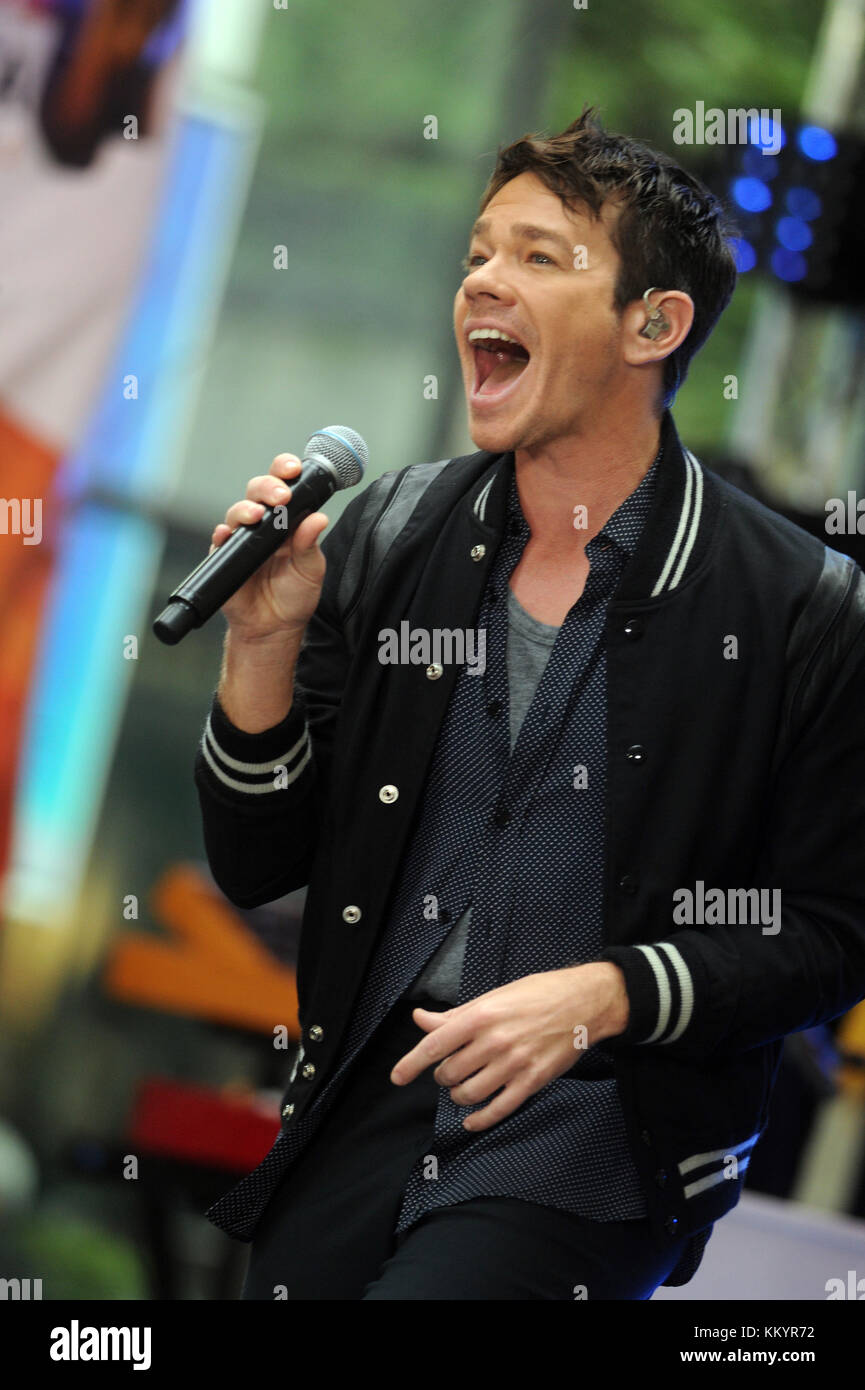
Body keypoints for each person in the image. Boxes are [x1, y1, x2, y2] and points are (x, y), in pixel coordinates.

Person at [193, 108, 865, 1300]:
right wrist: (261, 642)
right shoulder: (397, 531)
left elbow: (831, 932)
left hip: (598, 1137)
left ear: (653, 325)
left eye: (540, 258)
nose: (483, 283)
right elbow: (258, 861)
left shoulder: (798, 606)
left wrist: (608, 991)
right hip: (366, 1099)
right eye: (477, 255)